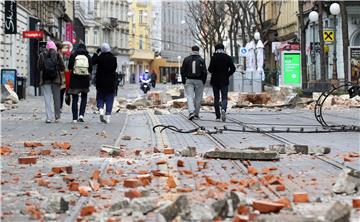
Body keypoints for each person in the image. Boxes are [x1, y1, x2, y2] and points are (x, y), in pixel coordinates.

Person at [37, 40, 65, 123]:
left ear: (47, 47)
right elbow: (62, 67)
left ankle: (49, 117)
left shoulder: (42, 55)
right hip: (56, 79)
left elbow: (39, 67)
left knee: (47, 98)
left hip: (45, 80)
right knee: (57, 98)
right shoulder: (57, 55)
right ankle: (57, 116)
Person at [208, 43, 236, 122]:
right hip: (224, 80)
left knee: (216, 98)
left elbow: (210, 69)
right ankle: (223, 109)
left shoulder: (213, 58)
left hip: (215, 80)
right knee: (224, 97)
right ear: (223, 49)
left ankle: (217, 116)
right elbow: (233, 68)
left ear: (216, 49)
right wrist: (227, 74)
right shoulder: (228, 57)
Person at [181, 45, 207, 120]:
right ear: (198, 51)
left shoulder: (186, 59)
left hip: (189, 80)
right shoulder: (201, 59)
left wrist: (184, 80)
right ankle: (196, 114)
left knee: (189, 96)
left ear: (191, 50)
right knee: (198, 97)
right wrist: (203, 81)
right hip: (199, 80)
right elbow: (204, 72)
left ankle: (191, 111)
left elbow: (182, 71)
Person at [67, 43, 92, 123]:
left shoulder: (73, 55)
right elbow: (90, 69)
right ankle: (81, 115)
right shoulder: (88, 56)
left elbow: (69, 67)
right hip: (85, 80)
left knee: (75, 98)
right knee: (84, 98)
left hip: (75, 79)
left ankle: (74, 118)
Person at [93, 43, 117, 123]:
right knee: (109, 99)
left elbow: (92, 62)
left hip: (100, 82)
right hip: (110, 83)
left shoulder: (100, 58)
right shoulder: (113, 58)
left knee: (100, 97)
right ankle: (108, 117)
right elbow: (114, 68)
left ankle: (101, 110)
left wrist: (96, 54)